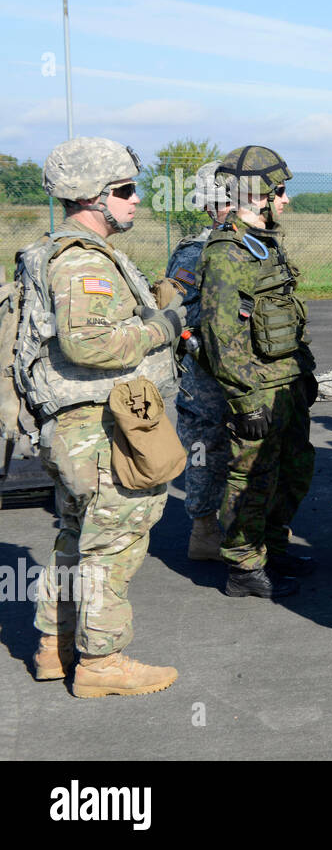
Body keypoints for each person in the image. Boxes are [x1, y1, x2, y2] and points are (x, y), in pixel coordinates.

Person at [29, 136, 183, 697]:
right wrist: (159, 328)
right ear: (92, 198)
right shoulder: (82, 261)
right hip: (99, 432)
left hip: (75, 431)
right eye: (124, 191)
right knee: (113, 545)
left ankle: (55, 645)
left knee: (75, 536)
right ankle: (102, 662)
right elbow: (89, 344)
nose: (136, 199)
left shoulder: (59, 253)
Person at [199, 145, 317, 599]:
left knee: (295, 470)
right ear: (256, 195)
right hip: (256, 389)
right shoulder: (226, 254)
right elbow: (219, 335)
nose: (286, 200)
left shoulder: (264, 244)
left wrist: (303, 374)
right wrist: (244, 397)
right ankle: (244, 567)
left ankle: (272, 546)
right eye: (280, 191)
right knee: (252, 478)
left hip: (285, 382)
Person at [166, 159, 234, 562]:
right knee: (204, 449)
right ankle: (205, 530)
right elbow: (182, 317)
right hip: (205, 375)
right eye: (224, 204)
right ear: (210, 207)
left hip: (248, 372)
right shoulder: (195, 252)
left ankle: (248, 525)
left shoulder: (257, 246)